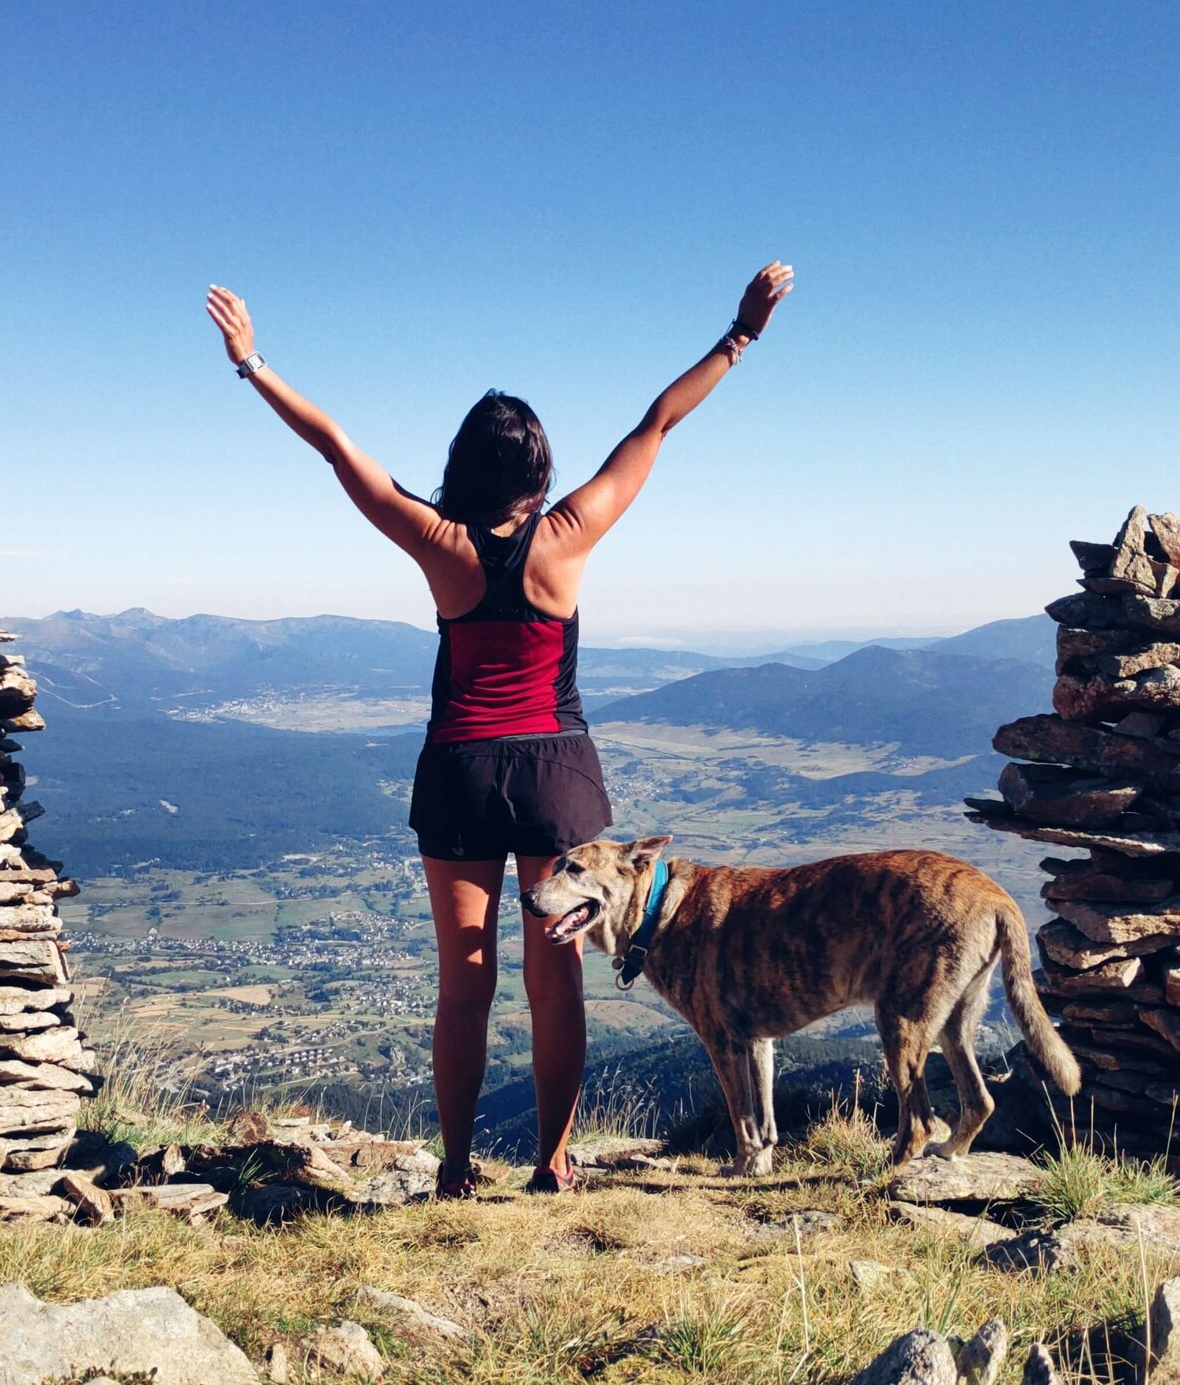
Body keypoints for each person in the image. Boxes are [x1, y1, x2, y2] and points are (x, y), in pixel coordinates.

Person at [206, 262, 793, 1195]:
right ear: (540, 469)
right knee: (552, 983)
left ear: (464, 468)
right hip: (557, 772)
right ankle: (553, 1164)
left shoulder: (438, 544)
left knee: (464, 983)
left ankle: (453, 1167)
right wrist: (740, 334)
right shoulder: (569, 535)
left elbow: (336, 447)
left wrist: (252, 362)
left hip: (461, 774)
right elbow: (657, 423)